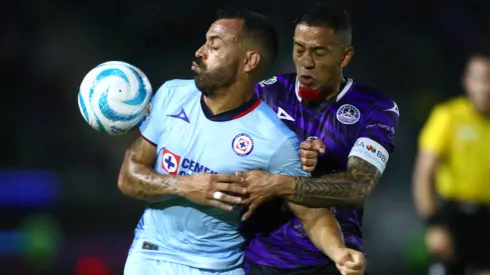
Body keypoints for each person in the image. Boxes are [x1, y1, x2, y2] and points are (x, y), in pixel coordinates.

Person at [117, 8, 358, 275]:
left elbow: (312, 214)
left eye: (215, 45)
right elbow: (128, 177)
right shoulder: (171, 95)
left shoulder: (275, 140)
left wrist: (340, 252)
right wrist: (184, 185)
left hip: (218, 268)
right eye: (205, 41)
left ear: (249, 61)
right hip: (151, 255)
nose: (200, 51)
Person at [238, 3, 400, 275]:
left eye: (319, 52)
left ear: (344, 56)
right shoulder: (265, 95)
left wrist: (282, 182)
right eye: (299, 49)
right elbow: (231, 161)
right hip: (261, 259)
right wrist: (286, 157)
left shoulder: (375, 107)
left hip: (335, 260)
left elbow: (358, 187)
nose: (306, 62)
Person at [412, 54, 490, 275]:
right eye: (480, 78)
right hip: (455, 219)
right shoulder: (448, 117)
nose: (486, 87)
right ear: (467, 81)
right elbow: (424, 173)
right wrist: (433, 223)